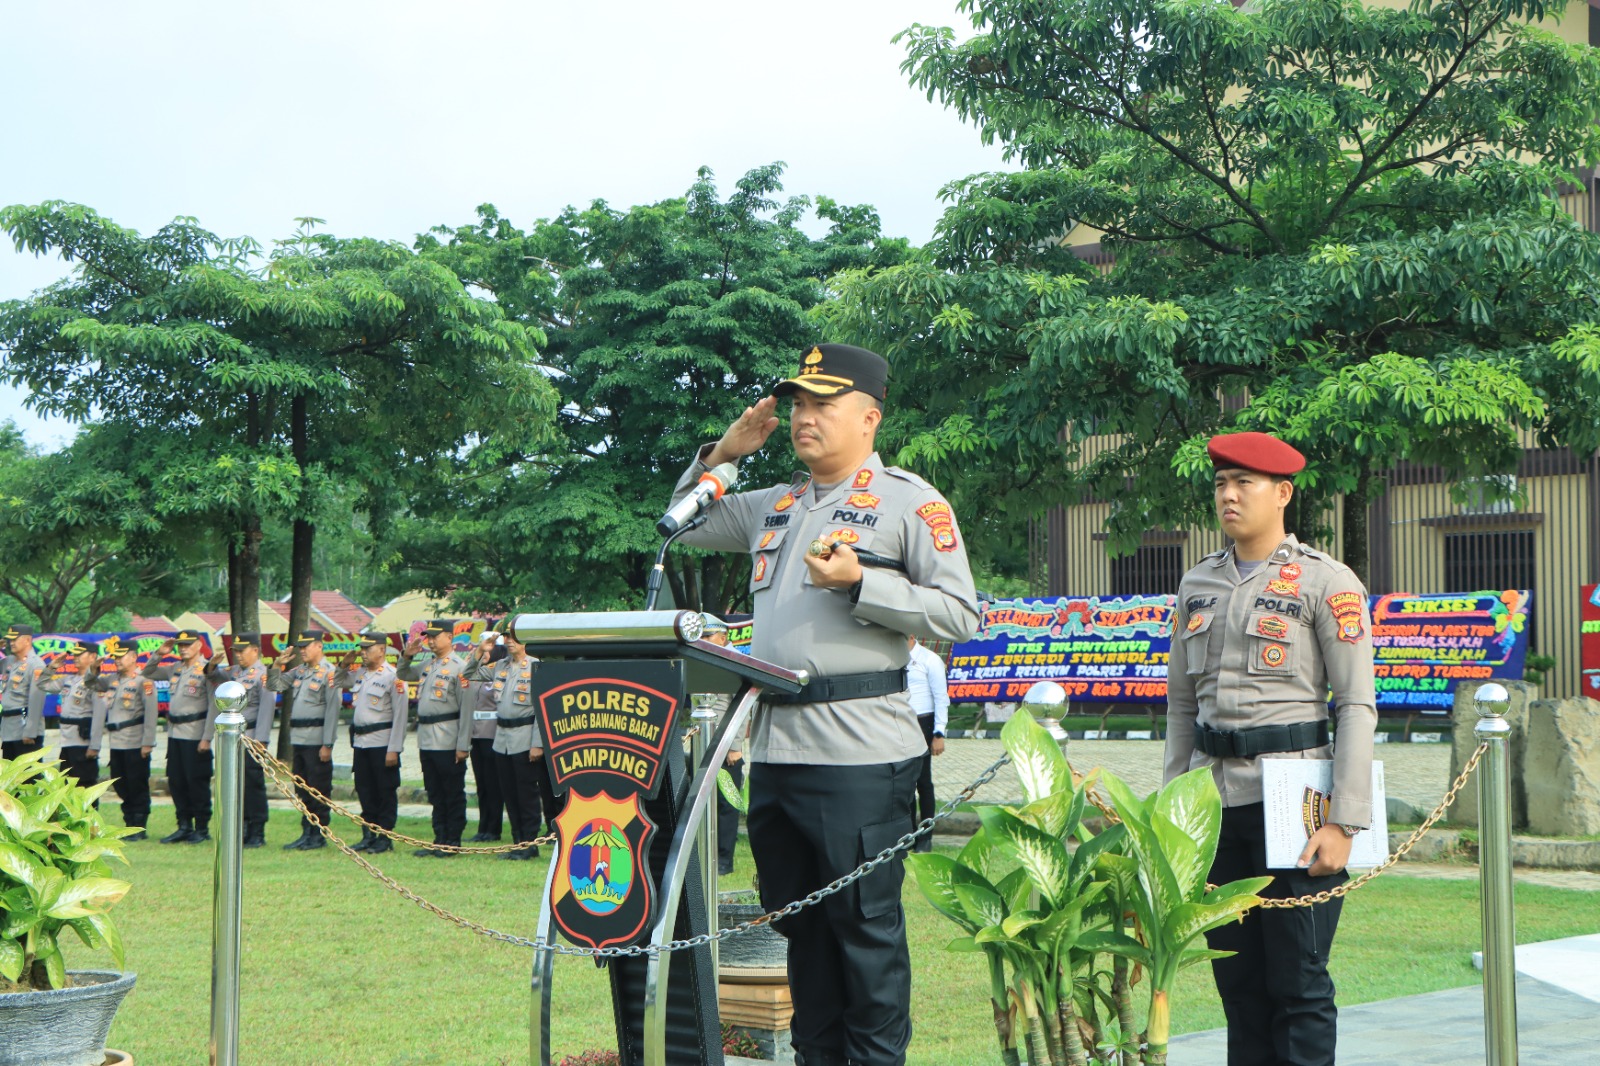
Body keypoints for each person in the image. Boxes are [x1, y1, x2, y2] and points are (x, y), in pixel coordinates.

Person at [669, 342, 979, 1066]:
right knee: (799, 931)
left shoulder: (910, 502)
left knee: (864, 938)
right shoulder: (771, 507)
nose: (803, 418)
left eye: (822, 404)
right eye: (797, 405)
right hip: (776, 751)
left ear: (868, 416)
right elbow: (683, 524)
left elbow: (960, 615)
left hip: (860, 756)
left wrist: (861, 585)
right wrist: (723, 453)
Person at [1162, 431, 1377, 1066]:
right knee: (1238, 986)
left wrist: (1344, 820)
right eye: (1221, 483)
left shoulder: (1326, 581)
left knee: (1299, 984)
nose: (1228, 495)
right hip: (1213, 805)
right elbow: (1180, 705)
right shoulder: (1198, 583)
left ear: (1282, 493)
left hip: (1295, 803)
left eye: (1243, 484)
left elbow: (1357, 706)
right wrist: (1176, 807)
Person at [397, 620, 475, 856]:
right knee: (434, 791)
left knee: (451, 791)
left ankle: (453, 840)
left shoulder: (460, 667)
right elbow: (403, 673)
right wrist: (407, 656)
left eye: (435, 636)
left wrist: (463, 745)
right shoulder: (428, 665)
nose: (430, 640)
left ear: (449, 637)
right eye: (428, 636)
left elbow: (467, 710)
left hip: (448, 738)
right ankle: (439, 837)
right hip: (428, 738)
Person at [467, 630, 546, 861]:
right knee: (510, 794)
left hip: (524, 736)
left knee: (527, 794)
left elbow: (542, 709)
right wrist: (481, 651)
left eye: (514, 637)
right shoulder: (500, 665)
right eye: (507, 638)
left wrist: (538, 743)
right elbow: (469, 673)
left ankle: (530, 844)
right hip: (501, 739)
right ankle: (517, 841)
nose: (509, 641)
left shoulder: (536, 666)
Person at [269, 632, 344, 851]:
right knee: (301, 788)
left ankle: (318, 834)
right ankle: (306, 832)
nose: (302, 650)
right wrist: (276, 665)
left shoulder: (330, 673)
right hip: (300, 739)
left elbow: (333, 710)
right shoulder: (299, 671)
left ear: (319, 646)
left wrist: (327, 744)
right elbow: (275, 686)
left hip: (316, 739)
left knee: (317, 789)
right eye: (300, 647)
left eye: (306, 646)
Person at [143, 631, 219, 843]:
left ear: (199, 645)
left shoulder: (208, 669)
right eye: (180, 645)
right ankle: (184, 825)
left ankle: (201, 828)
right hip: (175, 734)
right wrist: (159, 654)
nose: (182, 648)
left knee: (196, 782)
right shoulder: (175, 669)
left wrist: (207, 737)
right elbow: (147, 672)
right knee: (177, 781)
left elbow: (214, 705)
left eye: (187, 644)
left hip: (195, 734)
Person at [336, 635, 409, 855]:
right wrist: (344, 664)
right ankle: (368, 834)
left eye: (368, 649)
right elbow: (337, 680)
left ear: (382, 650)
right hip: (361, 742)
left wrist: (394, 749)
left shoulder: (393, 676)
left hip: (382, 742)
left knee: (384, 790)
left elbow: (401, 716)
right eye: (362, 649)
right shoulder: (360, 673)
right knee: (364, 788)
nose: (364, 652)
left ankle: (385, 837)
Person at [215, 634, 279, 848]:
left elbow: (267, 708)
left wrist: (261, 739)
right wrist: (210, 664)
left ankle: (257, 830)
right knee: (234, 784)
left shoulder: (263, 675)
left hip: (251, 735)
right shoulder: (234, 672)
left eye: (243, 650)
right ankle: (239, 827)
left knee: (252, 784)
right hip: (233, 736)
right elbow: (210, 676)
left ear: (255, 650)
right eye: (236, 651)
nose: (238, 654)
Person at [103, 638, 159, 840]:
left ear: (134, 657)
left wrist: (148, 742)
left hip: (135, 742)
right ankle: (128, 823)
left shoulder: (144, 682)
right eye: (115, 657)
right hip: (117, 743)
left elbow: (151, 714)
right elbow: (91, 681)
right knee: (120, 784)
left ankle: (138, 826)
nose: (117, 660)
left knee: (137, 785)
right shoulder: (113, 681)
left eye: (121, 656)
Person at [42, 642, 111, 788]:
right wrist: (52, 667)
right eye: (74, 654)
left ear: (93, 657)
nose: (75, 657)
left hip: (83, 744)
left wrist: (95, 746)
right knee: (67, 786)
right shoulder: (69, 680)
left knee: (84, 786)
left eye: (80, 654)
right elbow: (42, 685)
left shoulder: (95, 683)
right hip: (67, 742)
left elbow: (99, 717)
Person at [905, 636, 949, 853]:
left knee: (923, 782)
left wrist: (939, 732)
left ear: (911, 636)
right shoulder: (895, 658)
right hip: (901, 722)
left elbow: (941, 697)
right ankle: (909, 834)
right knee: (906, 783)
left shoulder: (929, 660)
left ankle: (926, 836)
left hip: (924, 721)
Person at [465, 632, 506, 842]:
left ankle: (494, 828)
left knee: (493, 784)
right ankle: (483, 827)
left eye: (490, 649)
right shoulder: (480, 673)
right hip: (476, 733)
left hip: (493, 732)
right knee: (481, 783)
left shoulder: (501, 671)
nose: (486, 653)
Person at [1, 623, 48, 759]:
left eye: (15, 639)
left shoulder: (36, 665)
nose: (11, 642)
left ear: (27, 640)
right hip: (9, 730)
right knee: (11, 778)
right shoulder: (8, 662)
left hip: (25, 732)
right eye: (10, 639)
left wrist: (30, 731)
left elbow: (36, 701)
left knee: (30, 778)